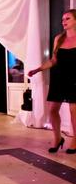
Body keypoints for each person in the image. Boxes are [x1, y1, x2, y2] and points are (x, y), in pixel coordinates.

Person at [28, 8, 76, 154]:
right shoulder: (58, 39)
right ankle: (57, 138)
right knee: (52, 109)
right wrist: (37, 69)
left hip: (75, 78)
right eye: (62, 19)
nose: (63, 21)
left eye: (67, 18)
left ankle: (75, 140)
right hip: (59, 77)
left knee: (74, 110)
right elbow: (54, 60)